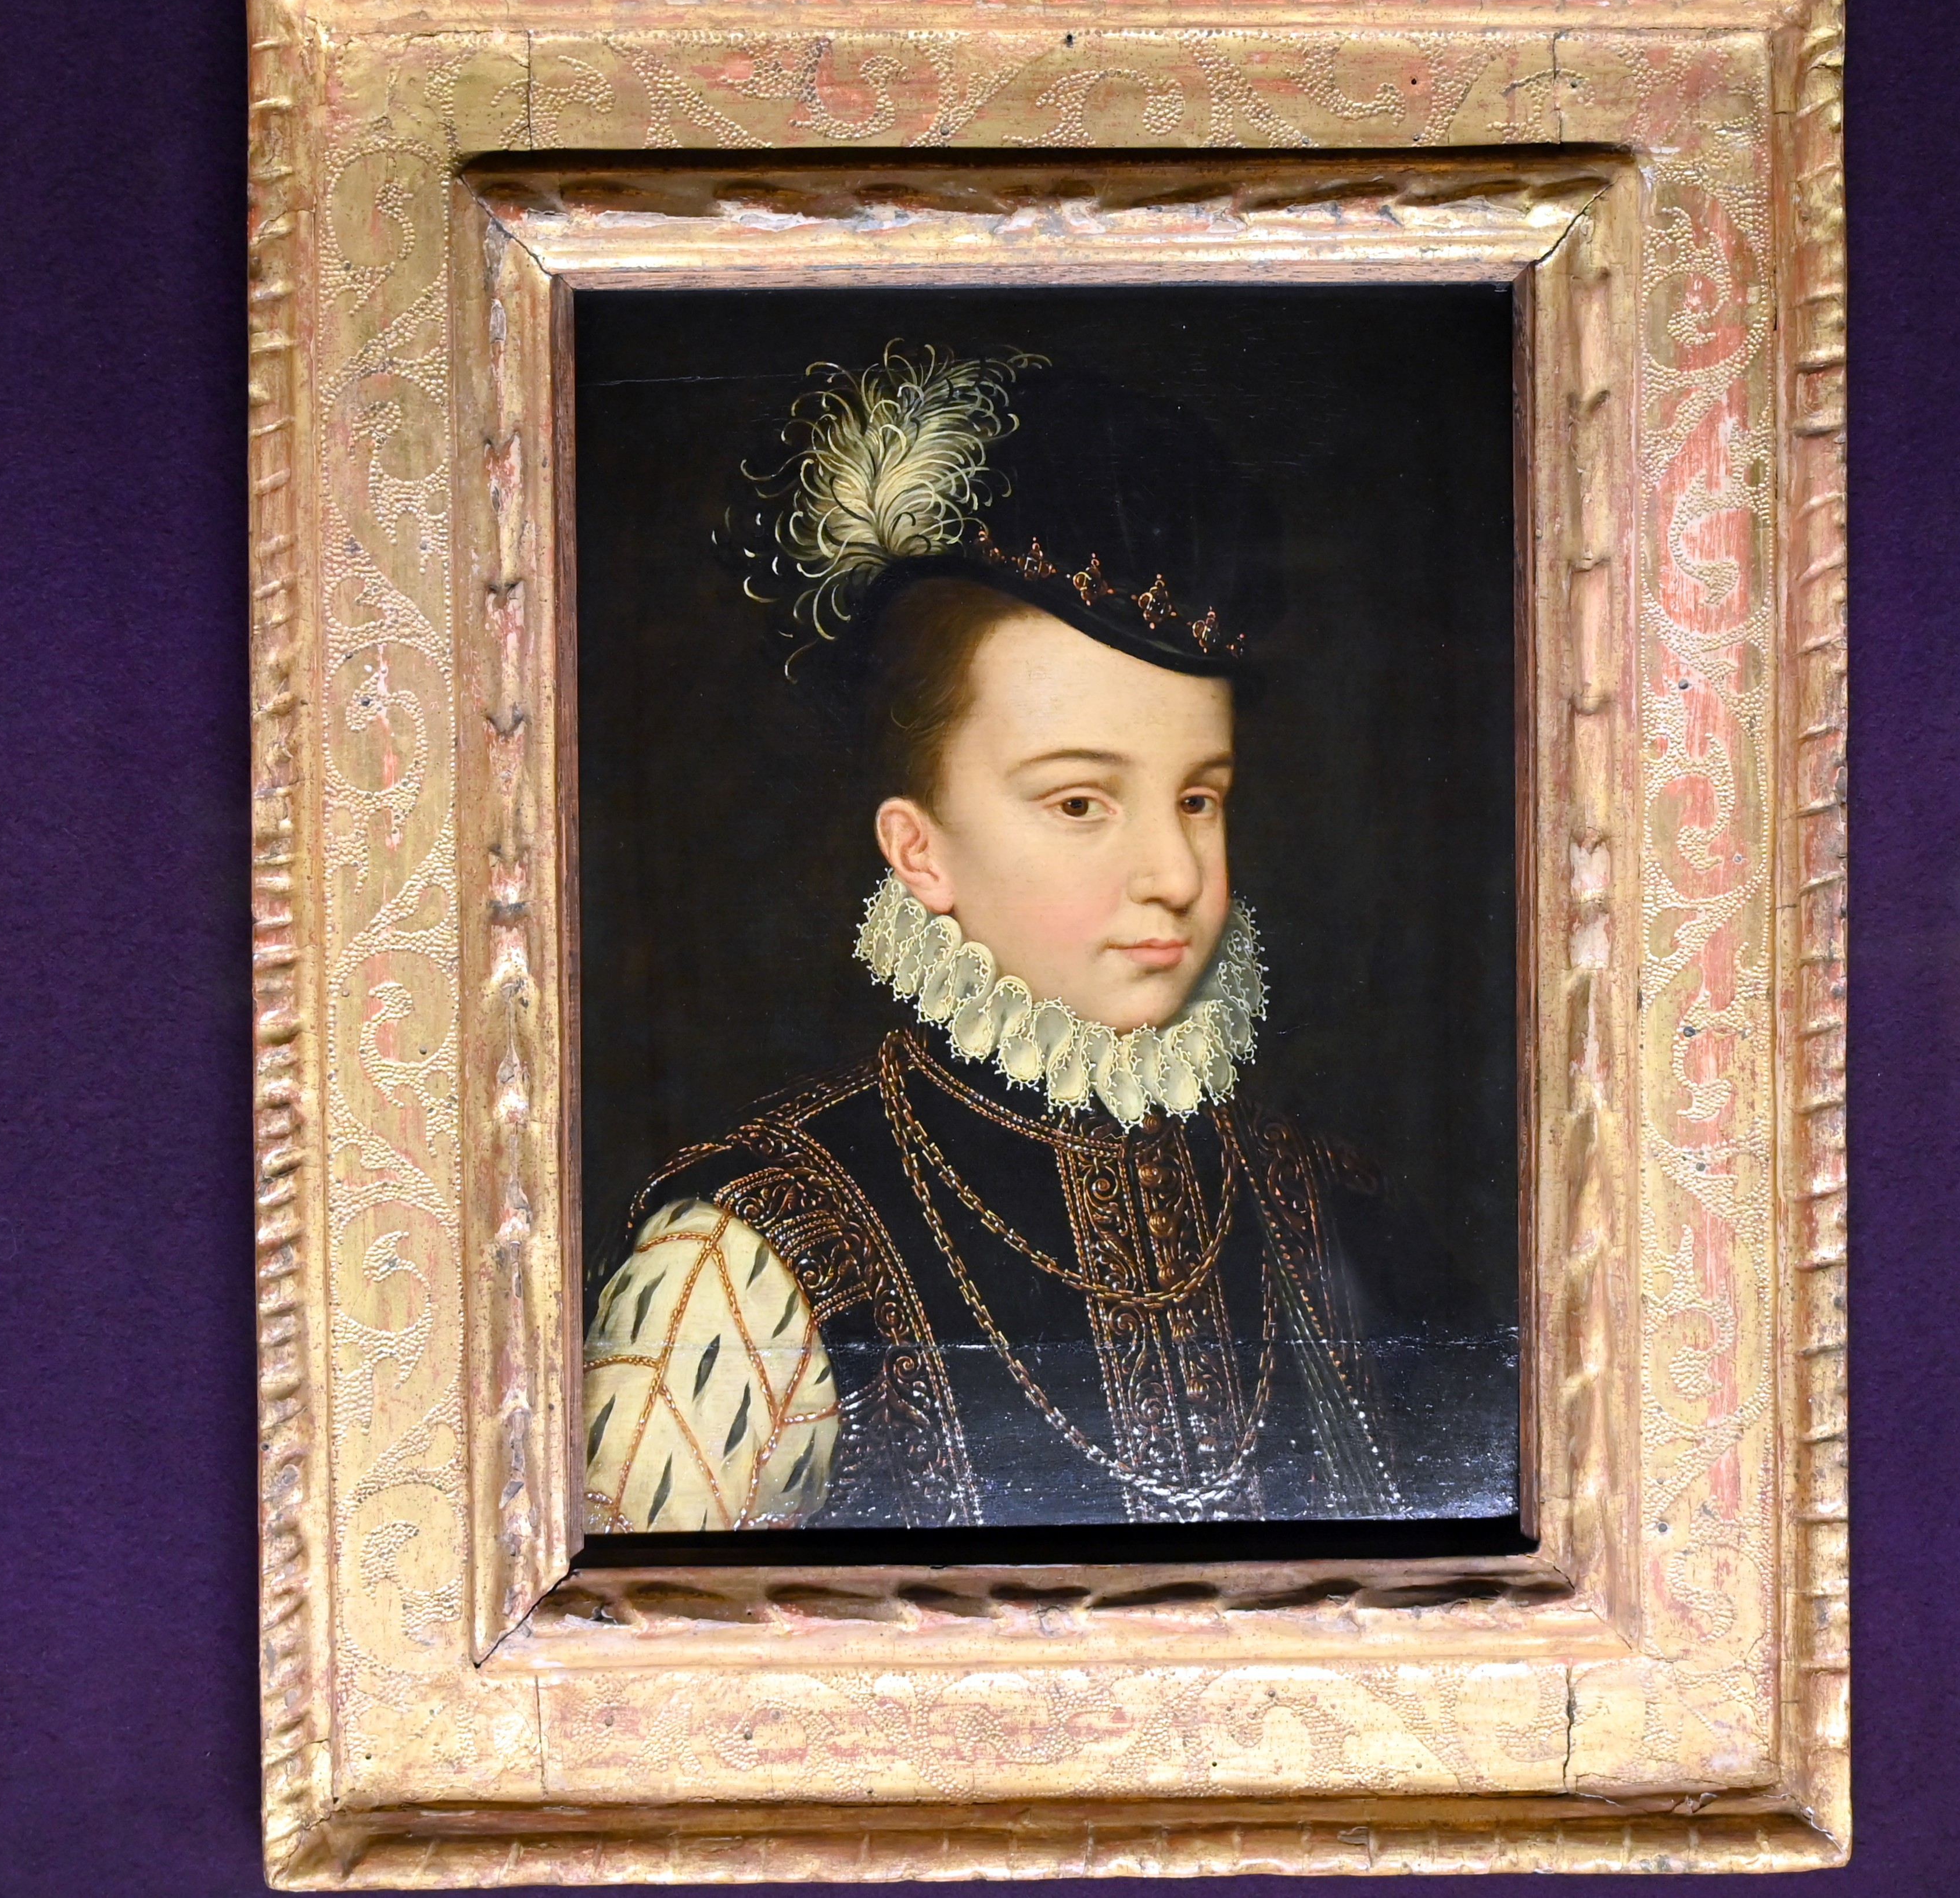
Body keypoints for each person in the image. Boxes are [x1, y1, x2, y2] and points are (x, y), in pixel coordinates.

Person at [581, 347, 1435, 1531]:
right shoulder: (745, 1262)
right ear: (918, 849)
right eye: (1080, 802)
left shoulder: (1330, 1204)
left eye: (1199, 797)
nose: (1177, 875)